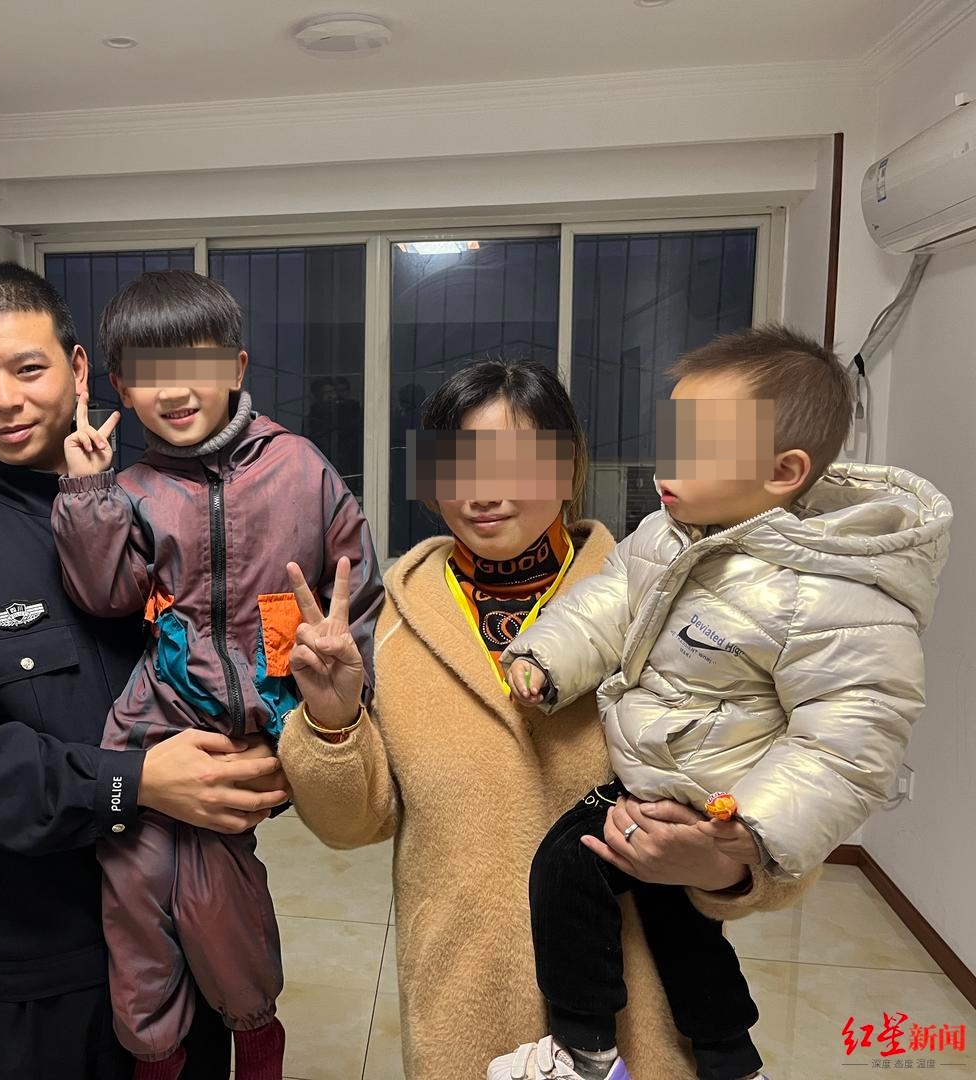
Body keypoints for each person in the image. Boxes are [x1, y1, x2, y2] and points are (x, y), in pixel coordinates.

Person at [278, 358, 813, 1080]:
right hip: (464, 1010)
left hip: (642, 1026)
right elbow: (354, 824)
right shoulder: (399, 624)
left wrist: (726, 866)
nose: (483, 492)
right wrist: (332, 716)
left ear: (568, 469)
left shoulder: (670, 604)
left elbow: (794, 798)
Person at [0, 261, 290, 1079]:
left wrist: (275, 750)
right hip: (36, 971)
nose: (3, 400)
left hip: (188, 935)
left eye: (28, 368)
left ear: (78, 370)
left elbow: (248, 654)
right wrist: (132, 782)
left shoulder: (176, 511)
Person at [495, 327, 952, 1080]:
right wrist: (545, 656)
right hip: (660, 774)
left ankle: (581, 1051)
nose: (666, 468)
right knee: (680, 925)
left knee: (568, 866)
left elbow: (848, 740)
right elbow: (608, 603)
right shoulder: (667, 535)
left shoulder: (835, 591)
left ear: (783, 471)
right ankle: (732, 1059)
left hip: (711, 800)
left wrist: (750, 831)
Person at [51, 270, 383, 1080]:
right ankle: (155, 1054)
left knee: (213, 893)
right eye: (149, 373)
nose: (174, 391)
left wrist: (322, 707)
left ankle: (255, 1032)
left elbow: (358, 598)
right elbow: (106, 594)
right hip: (157, 719)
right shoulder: (132, 489)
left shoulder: (301, 468)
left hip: (256, 725)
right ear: (121, 385)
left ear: (236, 367)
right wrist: (89, 491)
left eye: (194, 365)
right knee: (134, 887)